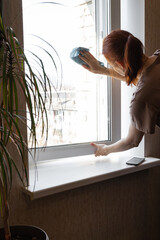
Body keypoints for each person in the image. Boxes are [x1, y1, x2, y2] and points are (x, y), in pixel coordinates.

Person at [79, 29, 160, 157]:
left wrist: (104, 149)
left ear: (120, 64)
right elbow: (144, 79)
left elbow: (131, 141)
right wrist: (103, 70)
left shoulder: (141, 99)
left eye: (112, 65)